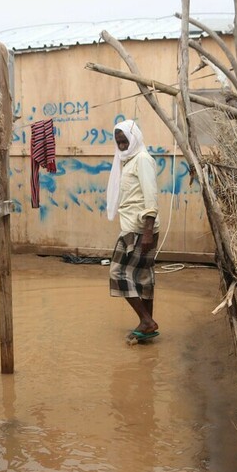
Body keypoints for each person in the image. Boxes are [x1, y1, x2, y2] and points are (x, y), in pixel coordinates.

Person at [106, 120, 161, 341]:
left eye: (124, 140)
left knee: (117, 273)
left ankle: (147, 320)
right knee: (142, 276)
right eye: (118, 141)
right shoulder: (128, 161)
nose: (120, 145)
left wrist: (147, 230)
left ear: (134, 138)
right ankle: (147, 325)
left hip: (138, 228)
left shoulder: (142, 160)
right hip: (138, 227)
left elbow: (151, 194)